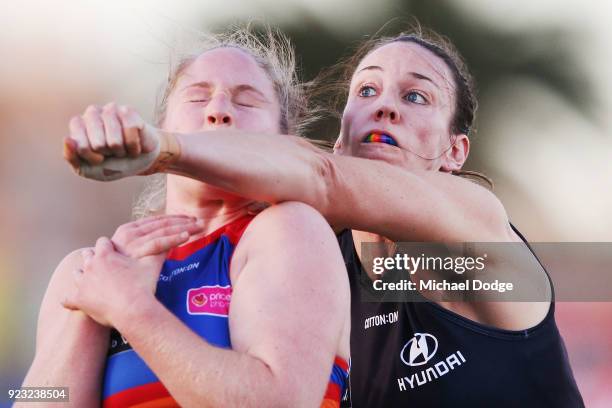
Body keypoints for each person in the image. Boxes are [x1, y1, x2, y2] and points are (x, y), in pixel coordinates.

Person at [65, 27, 584, 407]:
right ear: (339, 139)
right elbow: (41, 392)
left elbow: (273, 398)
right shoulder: (104, 267)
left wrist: (161, 148)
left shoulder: (475, 231)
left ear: (455, 151)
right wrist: (90, 313)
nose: (385, 108)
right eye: (366, 91)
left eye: (416, 96)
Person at [22, 28, 350, 407]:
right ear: (160, 127)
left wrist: (130, 309)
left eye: (247, 101)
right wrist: (91, 304)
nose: (219, 110)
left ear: (284, 138)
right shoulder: (84, 268)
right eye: (197, 96)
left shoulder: (293, 230)